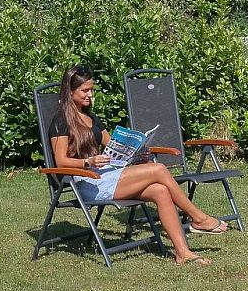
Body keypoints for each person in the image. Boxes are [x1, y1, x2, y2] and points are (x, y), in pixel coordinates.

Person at [48, 64, 228, 266]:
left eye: (92, 90)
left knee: (160, 190)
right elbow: (60, 161)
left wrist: (135, 150)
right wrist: (87, 161)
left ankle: (182, 253)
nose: (90, 94)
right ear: (70, 91)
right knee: (159, 169)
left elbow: (111, 144)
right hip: (87, 181)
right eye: (85, 90)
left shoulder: (91, 118)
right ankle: (198, 218)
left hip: (107, 174)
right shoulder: (60, 121)